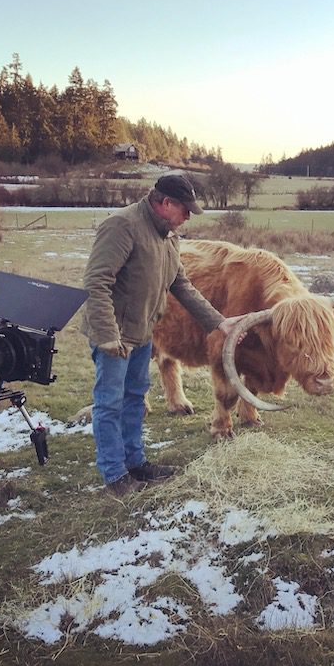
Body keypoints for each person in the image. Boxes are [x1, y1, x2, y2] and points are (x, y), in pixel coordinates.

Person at [80, 174, 244, 497]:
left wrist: (219, 322)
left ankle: (135, 462)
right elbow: (96, 282)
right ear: (166, 203)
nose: (187, 218)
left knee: (134, 398)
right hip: (116, 336)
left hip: (143, 333)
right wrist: (108, 336)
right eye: (185, 210)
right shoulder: (122, 226)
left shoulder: (169, 237)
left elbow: (180, 285)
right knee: (109, 403)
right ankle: (115, 476)